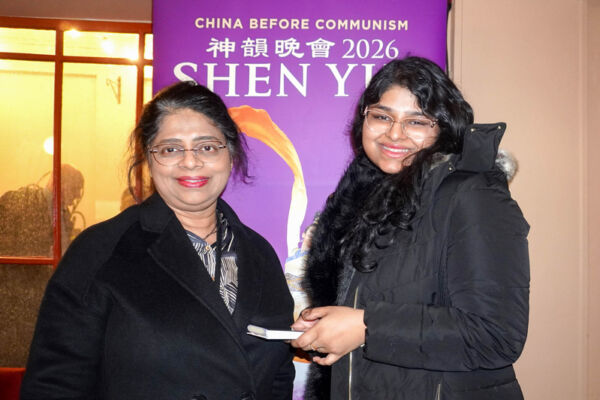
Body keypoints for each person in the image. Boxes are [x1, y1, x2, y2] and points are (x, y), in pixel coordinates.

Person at [21, 81, 295, 400]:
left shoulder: (259, 253)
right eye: (170, 149)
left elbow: (278, 375)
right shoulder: (99, 251)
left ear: (230, 154)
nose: (190, 162)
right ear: (148, 160)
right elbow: (54, 385)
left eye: (207, 147)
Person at [290, 57, 530, 399]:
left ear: (444, 128)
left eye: (416, 121)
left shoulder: (472, 194)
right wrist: (331, 326)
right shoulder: (364, 199)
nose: (394, 133)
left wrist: (366, 327)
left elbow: (494, 336)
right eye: (381, 116)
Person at [0, 164, 84, 257]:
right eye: (75, 188)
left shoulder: (65, 215)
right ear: (57, 182)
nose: (78, 195)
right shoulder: (21, 202)